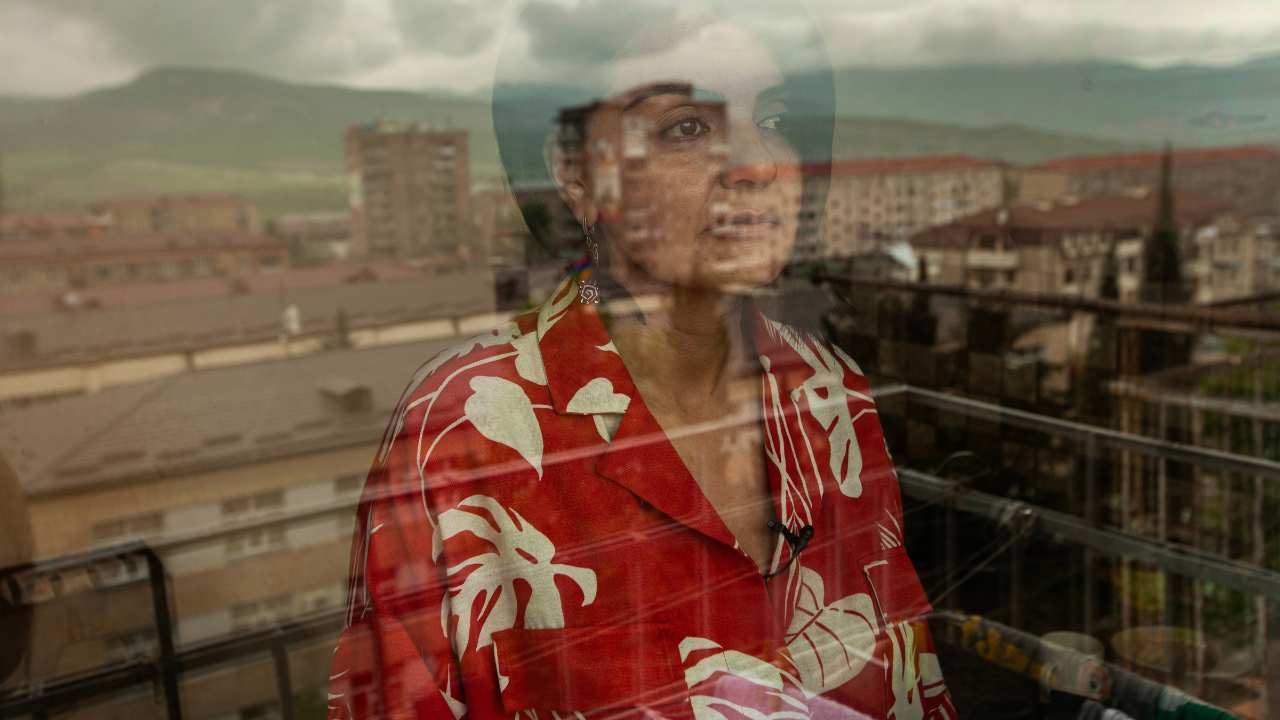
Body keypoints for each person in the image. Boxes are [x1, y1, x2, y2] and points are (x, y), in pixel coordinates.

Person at [328, 2, 955, 718]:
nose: (758, 165)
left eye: (774, 121)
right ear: (577, 175)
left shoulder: (829, 390)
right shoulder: (465, 432)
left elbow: (910, 682)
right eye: (687, 127)